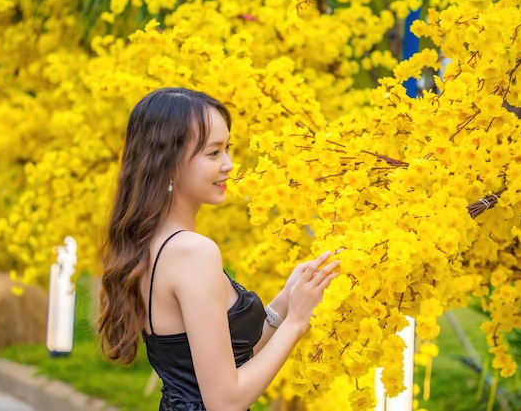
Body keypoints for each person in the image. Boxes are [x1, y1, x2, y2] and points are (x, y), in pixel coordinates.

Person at [97, 87, 340, 411]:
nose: (229, 165)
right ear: (168, 164)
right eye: (213, 153)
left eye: (228, 148)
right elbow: (225, 401)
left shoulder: (152, 244)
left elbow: (225, 365)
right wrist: (296, 322)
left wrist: (285, 301)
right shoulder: (194, 253)